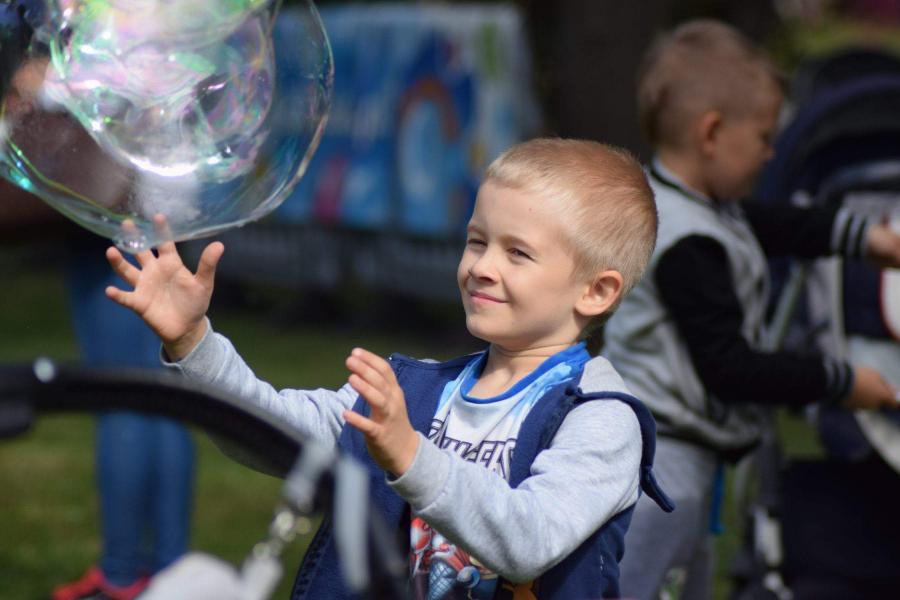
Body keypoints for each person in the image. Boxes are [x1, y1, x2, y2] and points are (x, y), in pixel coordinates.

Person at [102, 137, 674, 599]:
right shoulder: (413, 392)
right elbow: (267, 431)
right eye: (477, 242)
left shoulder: (600, 421)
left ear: (596, 292)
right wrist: (193, 341)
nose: (482, 267)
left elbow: (527, 539)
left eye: (517, 253)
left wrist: (410, 454)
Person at [602, 19, 900, 600]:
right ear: (711, 133)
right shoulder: (689, 243)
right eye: (764, 137)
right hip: (659, 466)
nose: (770, 154)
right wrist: (840, 381)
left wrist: (867, 239)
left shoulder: (698, 203)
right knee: (636, 586)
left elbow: (781, 224)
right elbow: (731, 367)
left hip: (682, 454)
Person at [51, 235, 196, 600]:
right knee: (160, 392)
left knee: (123, 393)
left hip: (108, 212)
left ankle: (121, 577)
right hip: (161, 205)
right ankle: (171, 575)